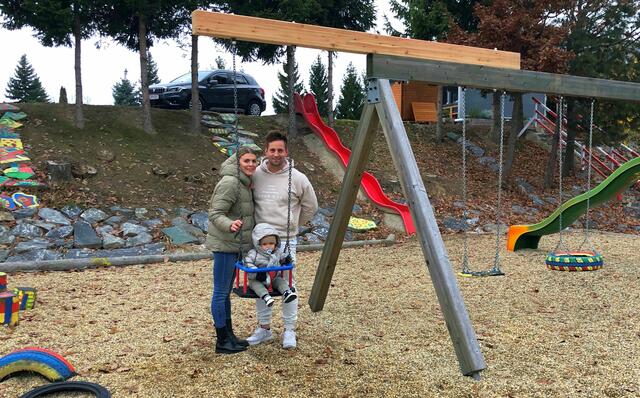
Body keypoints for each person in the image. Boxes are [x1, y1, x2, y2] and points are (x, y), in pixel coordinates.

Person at [248, 132, 318, 349]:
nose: (276, 154)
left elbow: (311, 207)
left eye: (280, 150)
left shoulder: (297, 178)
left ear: (286, 152)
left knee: (288, 284)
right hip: (260, 241)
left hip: (286, 239)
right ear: (266, 151)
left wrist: (293, 223)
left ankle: (289, 330)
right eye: (272, 150)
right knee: (261, 281)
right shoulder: (256, 174)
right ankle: (264, 328)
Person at [207, 146, 258, 354]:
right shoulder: (230, 182)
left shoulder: (244, 183)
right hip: (225, 244)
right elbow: (215, 213)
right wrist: (229, 224)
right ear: (238, 163)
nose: (251, 165)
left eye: (254, 161)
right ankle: (222, 340)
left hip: (235, 245)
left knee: (225, 292)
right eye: (246, 161)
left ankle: (229, 335)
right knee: (220, 292)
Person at [245, 223, 297, 307]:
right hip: (258, 279)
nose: (268, 246)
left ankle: (287, 292)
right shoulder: (254, 253)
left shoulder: (277, 252)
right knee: (256, 286)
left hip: (274, 278)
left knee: (280, 281)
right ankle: (266, 297)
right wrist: (256, 272)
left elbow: (282, 258)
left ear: (275, 243)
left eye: (271, 243)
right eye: (265, 244)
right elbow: (247, 262)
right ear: (258, 244)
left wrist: (287, 259)